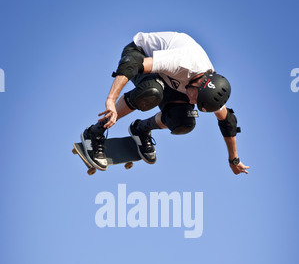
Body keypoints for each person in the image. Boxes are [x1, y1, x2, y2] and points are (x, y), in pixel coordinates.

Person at [81, 31, 249, 175]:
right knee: (151, 91)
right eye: (195, 98)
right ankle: (95, 132)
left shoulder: (210, 89)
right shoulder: (182, 61)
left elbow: (228, 122)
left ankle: (140, 130)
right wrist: (111, 99)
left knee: (183, 121)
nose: (191, 101)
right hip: (141, 54)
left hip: (170, 77)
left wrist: (234, 159)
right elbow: (133, 64)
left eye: (196, 102)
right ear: (200, 83)